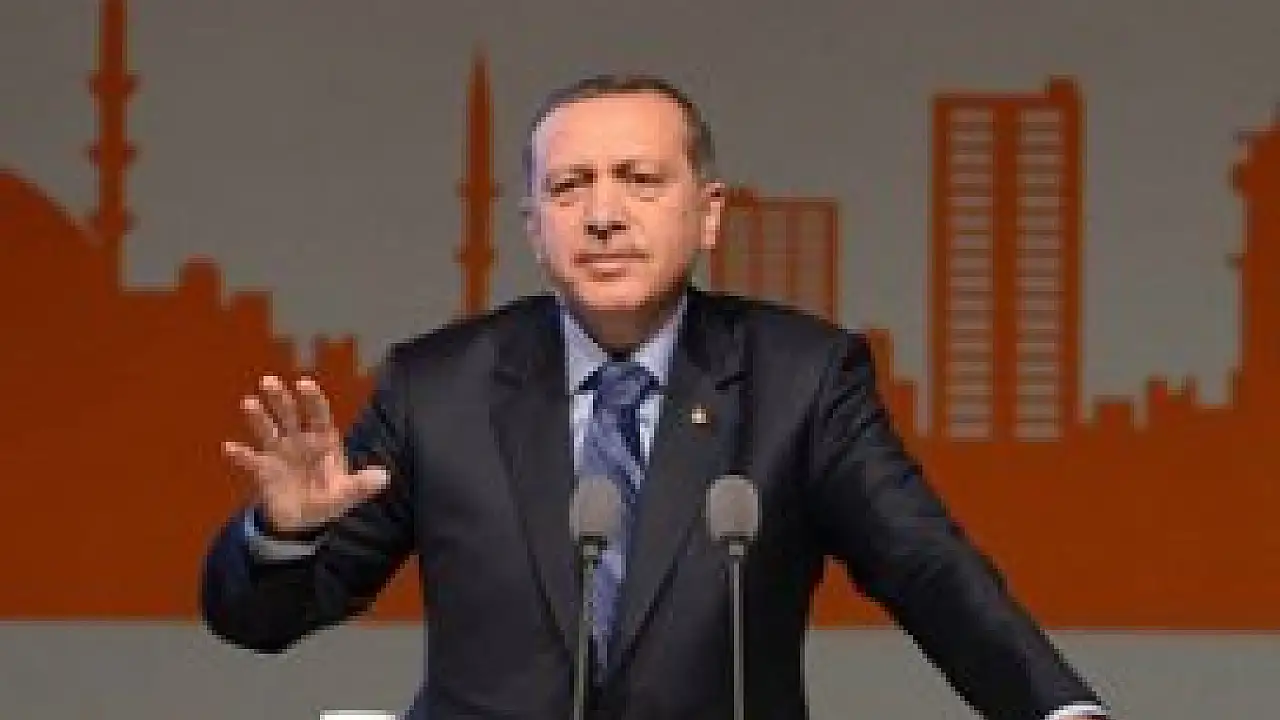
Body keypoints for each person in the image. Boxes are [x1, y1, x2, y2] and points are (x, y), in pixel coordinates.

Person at [201, 74, 1109, 720]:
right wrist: (284, 534)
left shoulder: (801, 378)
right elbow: (262, 621)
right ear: (534, 228)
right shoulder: (439, 385)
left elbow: (926, 568)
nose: (603, 215)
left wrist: (1059, 710)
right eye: (569, 188)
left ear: (708, 212)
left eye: (639, 180)